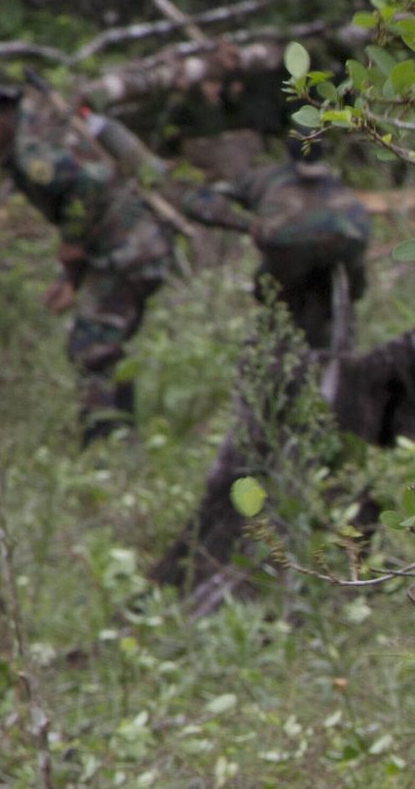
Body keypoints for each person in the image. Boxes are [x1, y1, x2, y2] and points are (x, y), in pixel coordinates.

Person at [151, 136, 373, 598]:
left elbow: (354, 275)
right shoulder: (273, 184)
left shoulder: (337, 201)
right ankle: (251, 527)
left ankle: (311, 526)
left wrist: (256, 226)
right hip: (288, 323)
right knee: (263, 428)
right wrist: (250, 225)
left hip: (324, 329)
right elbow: (201, 201)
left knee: (316, 424)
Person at [0, 80, 176, 443]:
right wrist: (69, 278)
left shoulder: (31, 150)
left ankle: (109, 441)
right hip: (128, 248)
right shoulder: (43, 124)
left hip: (127, 250)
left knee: (90, 349)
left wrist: (72, 241)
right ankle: (117, 437)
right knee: (100, 345)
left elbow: (90, 183)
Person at [179, 135, 371, 348]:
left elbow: (197, 201)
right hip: (347, 242)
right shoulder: (336, 184)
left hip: (287, 246)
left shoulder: (266, 177)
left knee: (273, 300)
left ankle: (273, 351)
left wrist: (245, 224)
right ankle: (338, 350)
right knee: (343, 300)